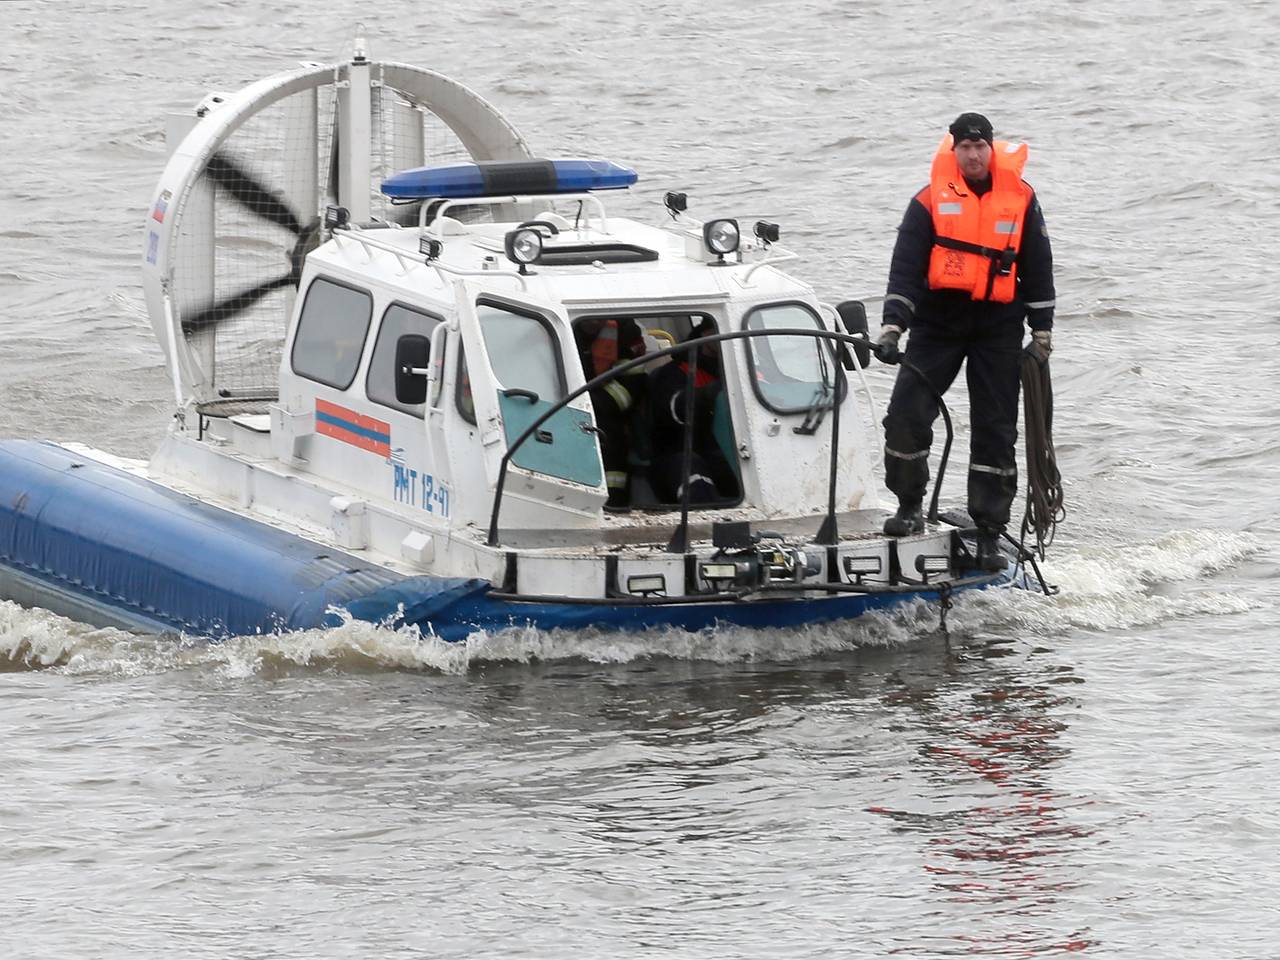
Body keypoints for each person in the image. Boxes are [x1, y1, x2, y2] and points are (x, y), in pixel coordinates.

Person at [873, 112, 1055, 570]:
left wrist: (1043, 332)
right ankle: (910, 506)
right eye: (965, 148)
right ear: (953, 151)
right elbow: (905, 270)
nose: (973, 155)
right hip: (937, 326)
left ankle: (990, 530)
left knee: (996, 430)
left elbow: (1039, 265)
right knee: (904, 417)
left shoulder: (1022, 199)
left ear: (991, 150)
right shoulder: (927, 201)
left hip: (998, 327)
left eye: (980, 147)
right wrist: (892, 327)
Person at [648, 319, 739, 505]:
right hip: (683, 453)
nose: (728, 339)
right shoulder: (674, 372)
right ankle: (704, 525)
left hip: (734, 453)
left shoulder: (742, 370)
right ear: (705, 334)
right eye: (720, 330)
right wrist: (709, 394)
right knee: (688, 467)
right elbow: (671, 411)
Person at [574, 317, 649, 508]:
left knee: (613, 445)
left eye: (598, 319)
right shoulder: (559, 323)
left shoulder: (626, 332)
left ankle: (614, 504)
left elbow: (632, 383)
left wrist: (593, 403)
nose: (594, 322)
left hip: (609, 411)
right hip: (562, 406)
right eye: (590, 320)